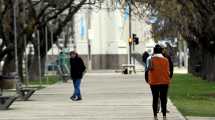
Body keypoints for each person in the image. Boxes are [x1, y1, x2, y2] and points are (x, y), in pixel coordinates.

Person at [148, 44, 170, 120]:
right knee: (163, 99)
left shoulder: (150, 60)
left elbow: (148, 71)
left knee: (155, 98)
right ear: (161, 51)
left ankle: (155, 116)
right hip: (164, 82)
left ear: (154, 51)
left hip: (154, 82)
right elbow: (168, 72)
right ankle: (164, 116)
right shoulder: (166, 60)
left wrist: (148, 81)